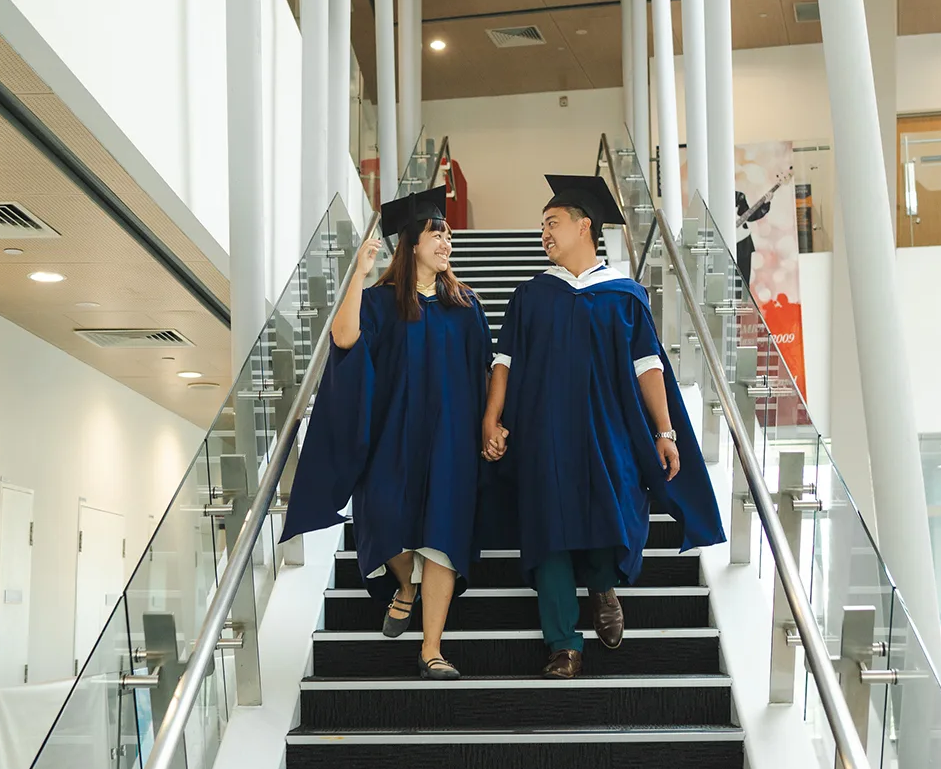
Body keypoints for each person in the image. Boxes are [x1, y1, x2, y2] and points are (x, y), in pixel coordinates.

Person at [481, 174, 725, 679]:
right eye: (542, 226)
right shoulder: (531, 297)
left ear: (583, 225)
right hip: (544, 435)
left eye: (552, 223)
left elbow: (648, 366)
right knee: (548, 532)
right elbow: (503, 362)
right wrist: (491, 418)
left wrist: (665, 431)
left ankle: (601, 586)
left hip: (607, 432)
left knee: (608, 511)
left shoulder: (624, 295)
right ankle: (563, 644)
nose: (543, 233)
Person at [281, 186, 492, 680]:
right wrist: (358, 273)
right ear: (412, 242)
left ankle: (432, 648)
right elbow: (344, 338)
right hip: (392, 437)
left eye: (449, 235)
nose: (447, 242)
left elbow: (484, 371)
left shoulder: (465, 307)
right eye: (437, 233)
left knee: (442, 538)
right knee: (383, 522)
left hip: (449, 443)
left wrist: (487, 428)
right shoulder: (378, 304)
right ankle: (404, 586)